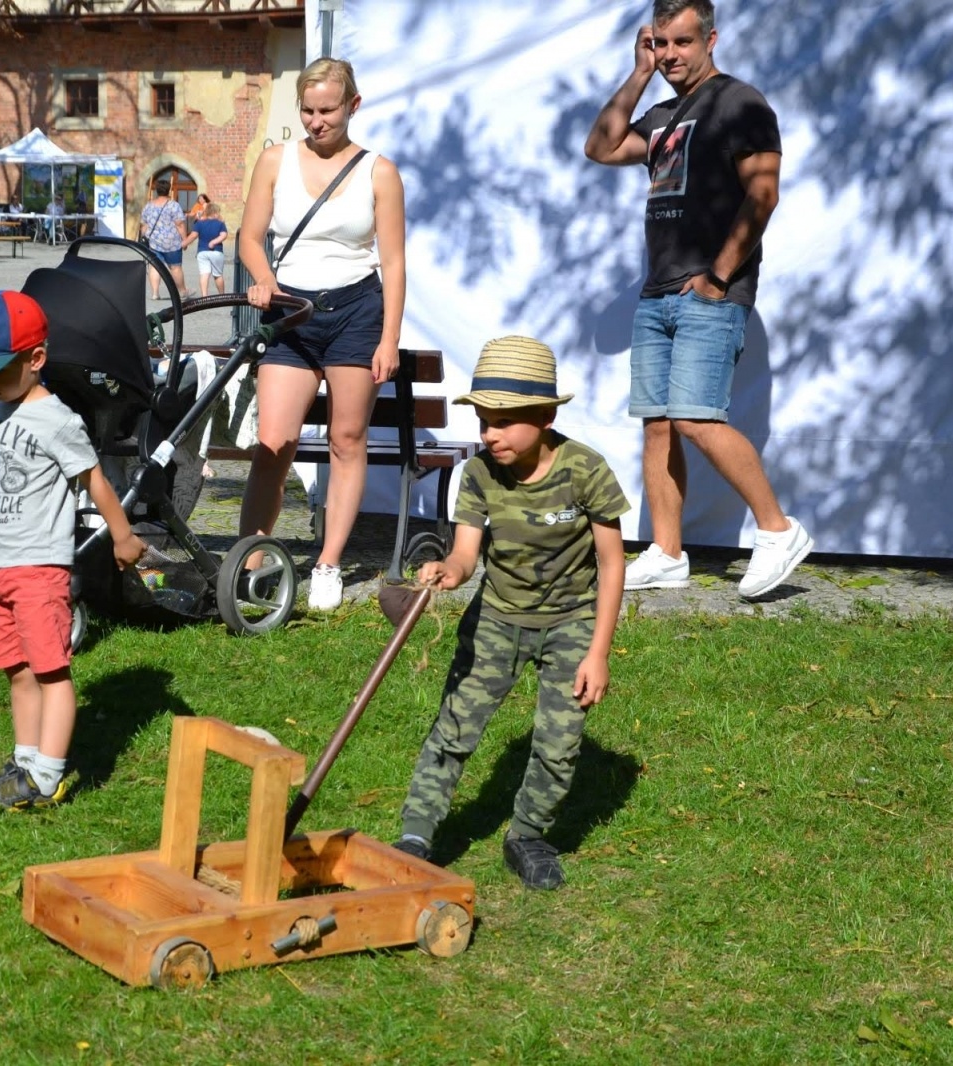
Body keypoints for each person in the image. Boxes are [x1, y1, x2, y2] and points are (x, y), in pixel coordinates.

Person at [584, 0, 811, 599]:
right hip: (656, 290)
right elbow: (601, 148)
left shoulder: (742, 103)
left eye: (683, 42)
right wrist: (636, 75)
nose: (671, 55)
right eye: (661, 44)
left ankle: (778, 529)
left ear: (711, 38)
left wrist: (719, 276)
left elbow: (762, 195)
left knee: (695, 417)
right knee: (657, 425)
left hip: (712, 291)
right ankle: (665, 551)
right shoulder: (660, 112)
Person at [394, 336, 628, 891]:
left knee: (559, 742)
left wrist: (598, 652)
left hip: (571, 623)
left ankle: (527, 835)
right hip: (496, 619)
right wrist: (448, 571)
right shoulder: (478, 475)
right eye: (483, 420)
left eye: (503, 421)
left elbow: (612, 563)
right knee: (454, 726)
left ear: (545, 417)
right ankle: (417, 835)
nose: (489, 434)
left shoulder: (585, 471)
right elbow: (466, 553)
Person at [0, 290, 146, 810]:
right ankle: (24, 761)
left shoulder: (57, 419)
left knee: (51, 670)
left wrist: (121, 535)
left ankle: (47, 776)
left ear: (35, 360)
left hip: (37, 569)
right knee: (18, 670)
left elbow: (94, 479)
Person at [239, 56, 407, 611]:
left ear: (352, 106)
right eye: (308, 110)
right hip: (290, 312)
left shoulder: (379, 171)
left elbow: (394, 261)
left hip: (357, 311)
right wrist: (263, 279)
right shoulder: (274, 160)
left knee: (346, 440)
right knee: (274, 443)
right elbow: (249, 237)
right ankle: (251, 560)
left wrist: (388, 338)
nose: (316, 121)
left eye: (328, 110)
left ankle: (329, 563)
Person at [139, 176, 187, 300]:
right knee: (175, 267)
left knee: (155, 266)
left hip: (154, 241)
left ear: (156, 190)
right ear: (169, 190)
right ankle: (182, 292)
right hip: (172, 242)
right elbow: (180, 224)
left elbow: (144, 225)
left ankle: (155, 293)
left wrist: (144, 238)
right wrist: (185, 239)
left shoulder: (149, 206)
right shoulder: (173, 205)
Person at [184, 201, 229, 296]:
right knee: (218, 275)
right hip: (216, 251)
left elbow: (193, 236)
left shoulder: (200, 223)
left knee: (204, 274)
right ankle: (221, 295)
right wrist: (214, 242)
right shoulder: (220, 224)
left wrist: (183, 244)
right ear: (216, 213)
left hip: (202, 252)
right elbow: (224, 235)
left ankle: (204, 296)